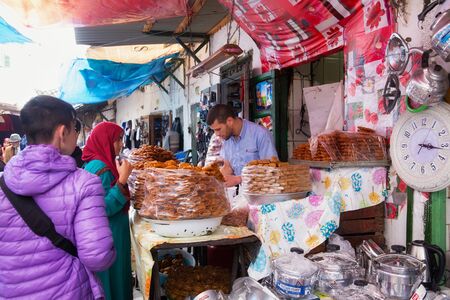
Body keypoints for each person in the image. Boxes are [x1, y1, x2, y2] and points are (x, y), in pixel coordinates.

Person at [0, 95, 116, 299]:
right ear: (63, 132)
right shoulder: (84, 184)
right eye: (75, 128)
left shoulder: (3, 183)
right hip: (68, 291)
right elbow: (98, 258)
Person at [82, 121, 133, 300]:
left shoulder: (100, 162)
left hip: (109, 234)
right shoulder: (101, 168)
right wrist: (122, 181)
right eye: (117, 139)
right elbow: (101, 207)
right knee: (114, 280)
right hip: (110, 235)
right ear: (105, 140)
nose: (121, 144)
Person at [206, 104, 278, 187]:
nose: (216, 134)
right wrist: (212, 181)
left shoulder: (260, 134)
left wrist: (238, 179)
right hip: (241, 194)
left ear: (230, 121)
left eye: (218, 129)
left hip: (262, 193)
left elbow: (272, 169)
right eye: (214, 131)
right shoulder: (226, 138)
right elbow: (228, 167)